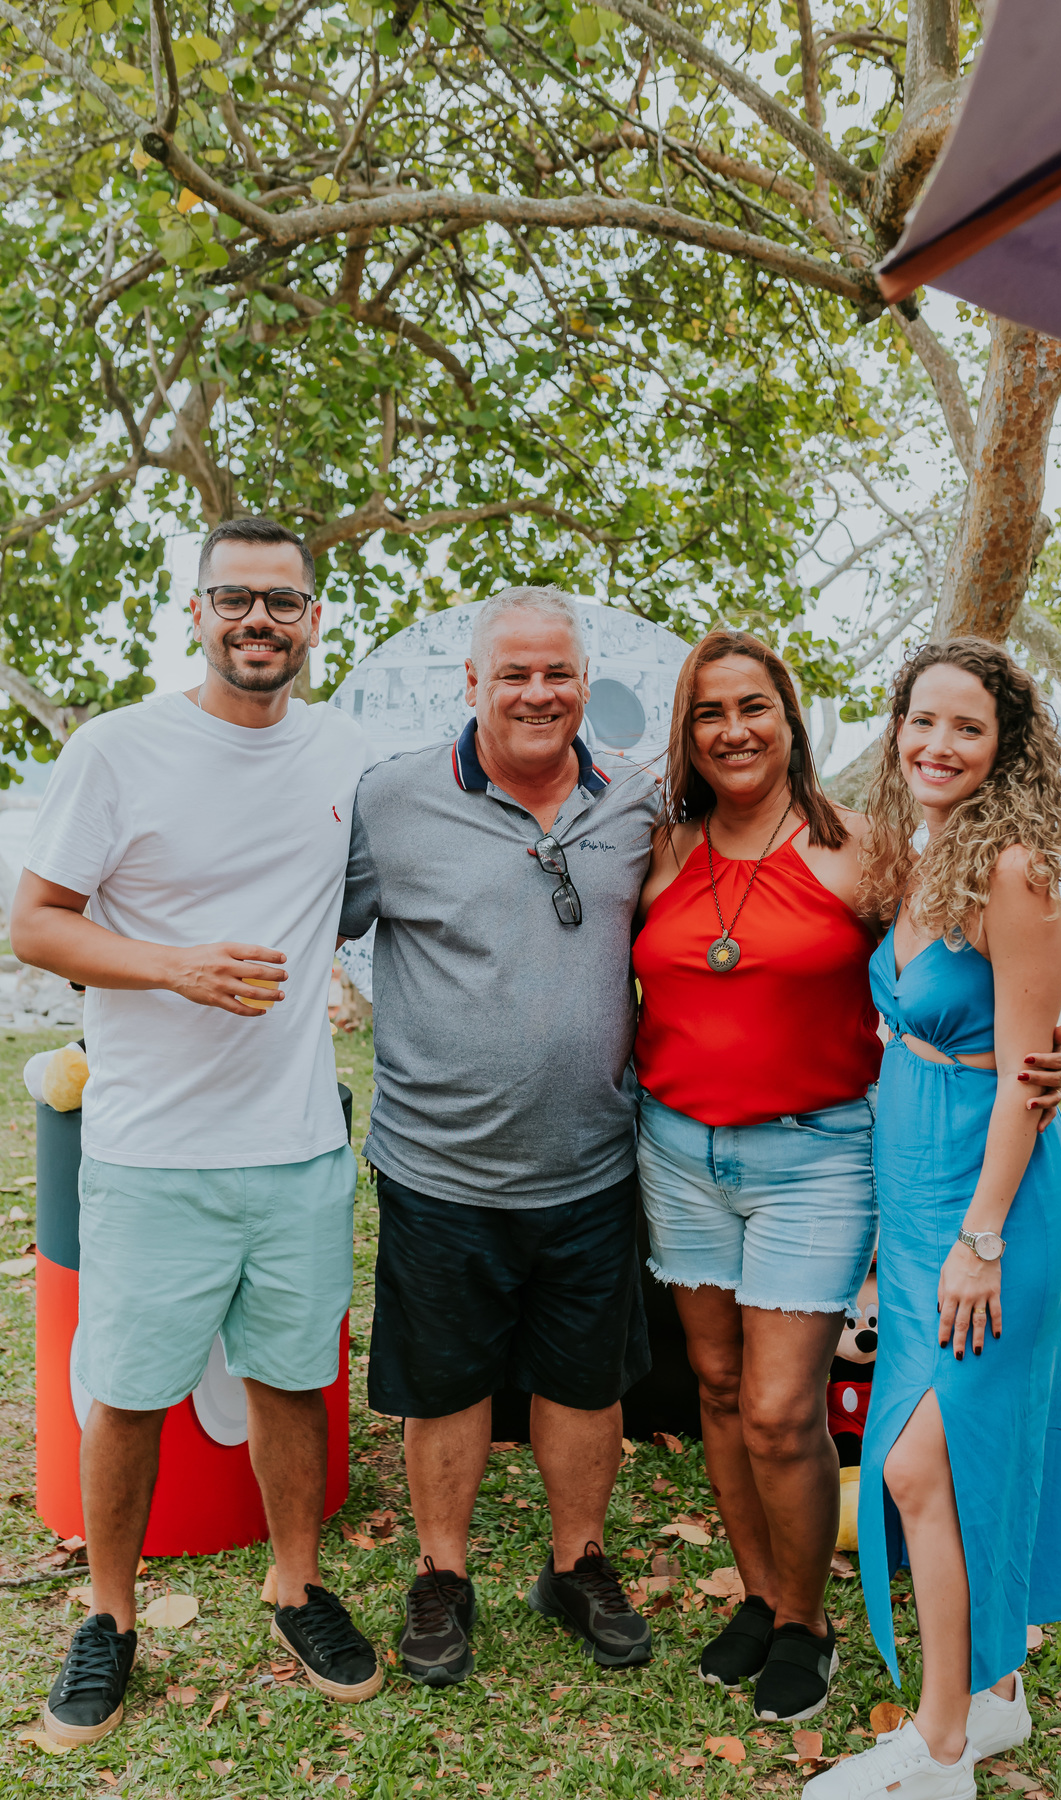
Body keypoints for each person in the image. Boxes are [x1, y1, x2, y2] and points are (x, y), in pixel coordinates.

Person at [631, 629, 1061, 1726]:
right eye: (708, 712)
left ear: (793, 718)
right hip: (680, 1150)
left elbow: (985, 979)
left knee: (785, 1409)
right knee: (720, 1392)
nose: (733, 729)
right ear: (687, 733)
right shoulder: (661, 848)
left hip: (819, 1154)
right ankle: (764, 1595)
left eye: (756, 707)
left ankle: (811, 1626)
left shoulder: (869, 851)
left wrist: (1039, 1060)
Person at [11, 518, 380, 1748]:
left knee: (292, 1378)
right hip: (149, 1153)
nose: (258, 621)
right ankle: (107, 1621)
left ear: (315, 619)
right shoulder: (119, 749)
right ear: (198, 611)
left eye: (283, 601)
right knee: (123, 1394)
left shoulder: (341, 751)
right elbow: (39, 924)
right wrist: (171, 968)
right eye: (235, 599)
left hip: (294, 1145)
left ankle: (295, 1584)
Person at [338, 586, 659, 1686]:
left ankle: (576, 1564)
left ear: (586, 684)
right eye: (512, 673)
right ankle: (443, 1575)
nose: (537, 692)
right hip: (438, 1167)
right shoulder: (391, 802)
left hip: (592, 1164)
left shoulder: (638, 806)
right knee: (447, 1382)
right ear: (470, 684)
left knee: (584, 1382)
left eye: (557, 673)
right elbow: (300, 921)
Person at [808, 639, 1061, 1800]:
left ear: (1004, 747)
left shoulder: (1013, 870)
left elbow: (1028, 1074)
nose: (938, 746)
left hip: (996, 1203)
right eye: (922, 722)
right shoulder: (925, 854)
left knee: (926, 1465)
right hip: (918, 1188)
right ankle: (998, 1697)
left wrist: (981, 1238)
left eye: (967, 729)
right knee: (953, 1451)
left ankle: (937, 1752)